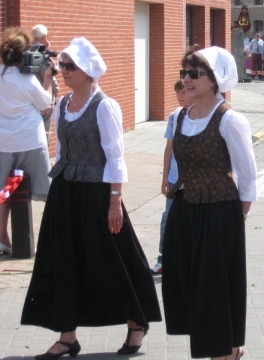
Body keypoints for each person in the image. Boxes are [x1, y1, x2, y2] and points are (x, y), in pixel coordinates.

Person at [21, 37, 162, 358]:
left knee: (111, 260)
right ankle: (67, 335)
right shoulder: (63, 105)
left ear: (87, 71)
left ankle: (136, 322)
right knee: (64, 261)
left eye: (70, 67)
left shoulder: (104, 106)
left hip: (98, 194)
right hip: (66, 192)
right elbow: (60, 146)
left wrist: (115, 202)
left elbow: (115, 156)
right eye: (62, 66)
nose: (63, 72)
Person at [162, 47, 257, 360]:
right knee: (187, 282)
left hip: (219, 211)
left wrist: (237, 217)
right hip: (185, 209)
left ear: (215, 80)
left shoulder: (230, 119)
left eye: (194, 74)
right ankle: (224, 346)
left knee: (215, 285)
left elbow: (247, 175)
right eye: (184, 73)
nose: (186, 79)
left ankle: (224, 351)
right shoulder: (178, 116)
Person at [0, 27, 54, 255]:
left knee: (3, 192)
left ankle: (2, 237)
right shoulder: (28, 79)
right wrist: (48, 79)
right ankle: (52, 239)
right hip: (31, 140)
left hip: (3, 143)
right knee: (48, 191)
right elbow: (45, 104)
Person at [152, 79, 189, 274]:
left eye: (184, 92)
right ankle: (163, 257)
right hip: (175, 180)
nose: (181, 97)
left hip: (192, 181)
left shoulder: (201, 116)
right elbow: (169, 148)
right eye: (178, 93)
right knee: (168, 218)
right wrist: (164, 177)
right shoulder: (175, 117)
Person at [31, 24, 60, 141]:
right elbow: (48, 74)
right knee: (44, 132)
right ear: (44, 37)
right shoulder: (42, 55)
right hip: (44, 95)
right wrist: (56, 91)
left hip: (30, 94)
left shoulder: (27, 52)